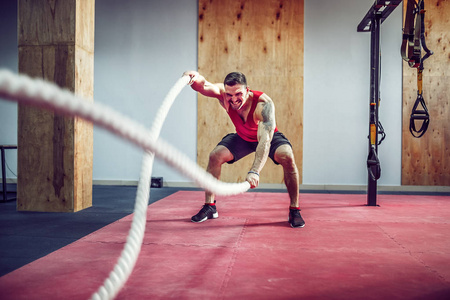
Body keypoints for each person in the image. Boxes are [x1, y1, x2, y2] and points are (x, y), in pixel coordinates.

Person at [183, 71, 305, 228]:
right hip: (243, 137)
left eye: (238, 94)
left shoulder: (263, 105)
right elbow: (203, 86)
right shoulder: (224, 95)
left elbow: (265, 141)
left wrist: (254, 171)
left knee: (287, 156)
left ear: (248, 90)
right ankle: (210, 206)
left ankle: (294, 209)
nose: (233, 99)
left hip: (268, 137)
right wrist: (193, 77)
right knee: (215, 156)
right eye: (229, 95)